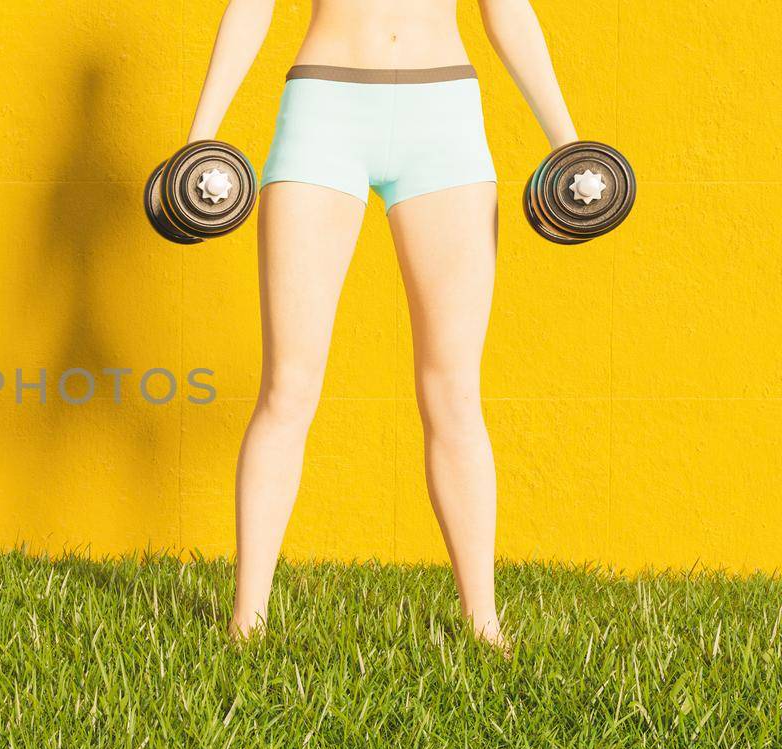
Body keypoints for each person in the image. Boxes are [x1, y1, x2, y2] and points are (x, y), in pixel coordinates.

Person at [187, 0, 579, 652]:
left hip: (445, 117)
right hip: (324, 111)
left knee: (454, 393)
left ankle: (484, 625)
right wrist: (202, 133)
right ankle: (245, 624)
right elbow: (252, 5)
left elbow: (507, 11)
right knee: (287, 388)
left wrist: (567, 140)